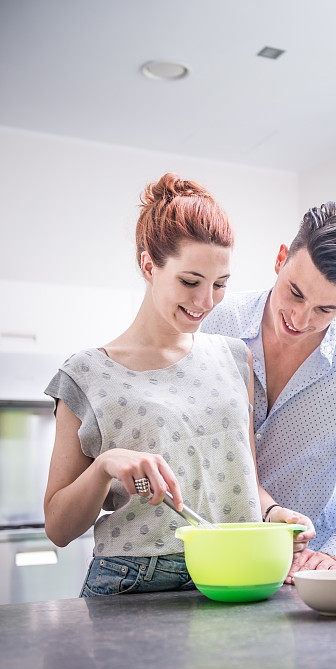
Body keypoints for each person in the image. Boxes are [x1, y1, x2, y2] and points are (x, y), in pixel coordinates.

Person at [43, 173, 314, 597]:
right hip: (135, 583)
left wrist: (274, 512)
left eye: (220, 284)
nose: (205, 301)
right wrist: (103, 466)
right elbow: (58, 527)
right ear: (149, 265)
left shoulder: (233, 358)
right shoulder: (86, 373)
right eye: (190, 282)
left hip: (239, 574)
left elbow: (238, 477)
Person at [202, 202, 336, 579]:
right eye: (295, 293)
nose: (300, 319)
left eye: (325, 310)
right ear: (281, 258)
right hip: (201, 561)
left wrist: (335, 552)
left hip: (296, 578)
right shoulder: (215, 321)